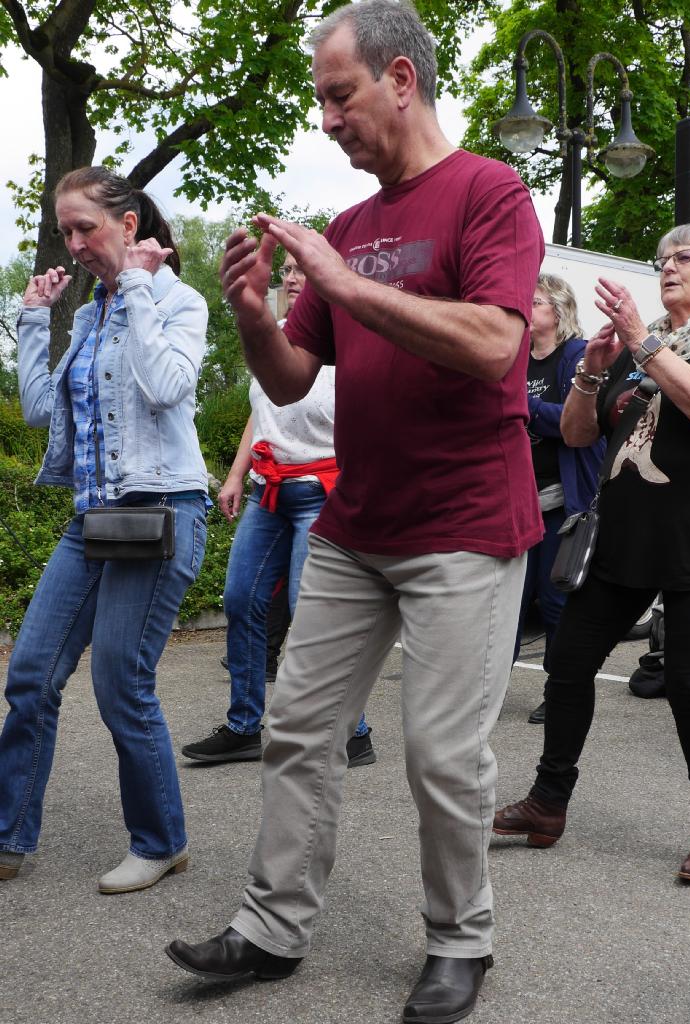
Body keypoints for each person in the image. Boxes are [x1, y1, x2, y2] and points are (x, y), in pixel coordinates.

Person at [165, 3, 544, 1022]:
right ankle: (271, 929)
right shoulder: (349, 227)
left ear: (402, 81)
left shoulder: (489, 192)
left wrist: (340, 282)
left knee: (441, 752)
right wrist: (253, 314)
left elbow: (497, 345)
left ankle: (461, 939)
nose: (328, 120)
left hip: (465, 523)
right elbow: (288, 381)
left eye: (341, 95)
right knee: (295, 725)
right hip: (356, 521)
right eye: (322, 101)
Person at [493, 224, 690, 885]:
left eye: (685, 258)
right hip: (624, 535)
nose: (668, 266)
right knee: (569, 663)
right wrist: (591, 371)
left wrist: (642, 347)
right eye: (663, 257)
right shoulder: (642, 345)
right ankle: (549, 802)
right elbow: (581, 431)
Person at [0, 166, 209, 893]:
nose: (75, 242)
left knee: (122, 683)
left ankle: (161, 842)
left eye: (86, 226)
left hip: (162, 513)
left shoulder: (179, 300)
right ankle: (7, 837)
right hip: (93, 518)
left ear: (128, 224)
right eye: (65, 231)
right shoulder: (86, 318)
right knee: (30, 675)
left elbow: (166, 386)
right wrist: (32, 319)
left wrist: (144, 287)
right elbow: (40, 413)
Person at [181, 253, 374, 766]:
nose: (292, 278)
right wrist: (235, 473)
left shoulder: (347, 339)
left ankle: (353, 731)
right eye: (287, 270)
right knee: (241, 598)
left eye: (302, 269)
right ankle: (245, 725)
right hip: (268, 494)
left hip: (321, 492)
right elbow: (261, 410)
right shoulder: (277, 336)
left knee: (312, 615)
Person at [514, 274, 603, 724]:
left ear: (558, 310)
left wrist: (519, 407)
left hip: (561, 503)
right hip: (514, 501)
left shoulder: (577, 355)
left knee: (554, 602)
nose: (524, 307)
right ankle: (482, 688)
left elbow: (578, 421)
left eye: (535, 301)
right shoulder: (514, 358)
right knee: (507, 601)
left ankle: (559, 690)